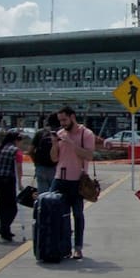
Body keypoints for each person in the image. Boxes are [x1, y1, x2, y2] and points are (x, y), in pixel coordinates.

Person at [50, 106, 95, 260]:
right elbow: (54, 159)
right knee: (57, 214)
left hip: (77, 180)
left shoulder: (86, 134)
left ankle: (78, 247)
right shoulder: (60, 134)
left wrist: (71, 143)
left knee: (77, 214)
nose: (62, 123)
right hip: (59, 178)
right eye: (60, 120)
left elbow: (89, 155)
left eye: (64, 120)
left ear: (72, 117)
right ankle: (62, 245)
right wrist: (55, 144)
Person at [0, 131, 24, 241]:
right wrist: (20, 183)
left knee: (2, 203)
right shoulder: (16, 151)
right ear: (16, 140)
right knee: (12, 207)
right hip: (8, 180)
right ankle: (4, 228)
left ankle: (5, 229)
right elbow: (19, 168)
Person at [29, 112, 59, 193]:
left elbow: (30, 150)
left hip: (41, 167)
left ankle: (42, 205)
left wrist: (36, 162)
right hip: (56, 167)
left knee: (42, 195)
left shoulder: (40, 132)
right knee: (55, 194)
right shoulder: (60, 133)